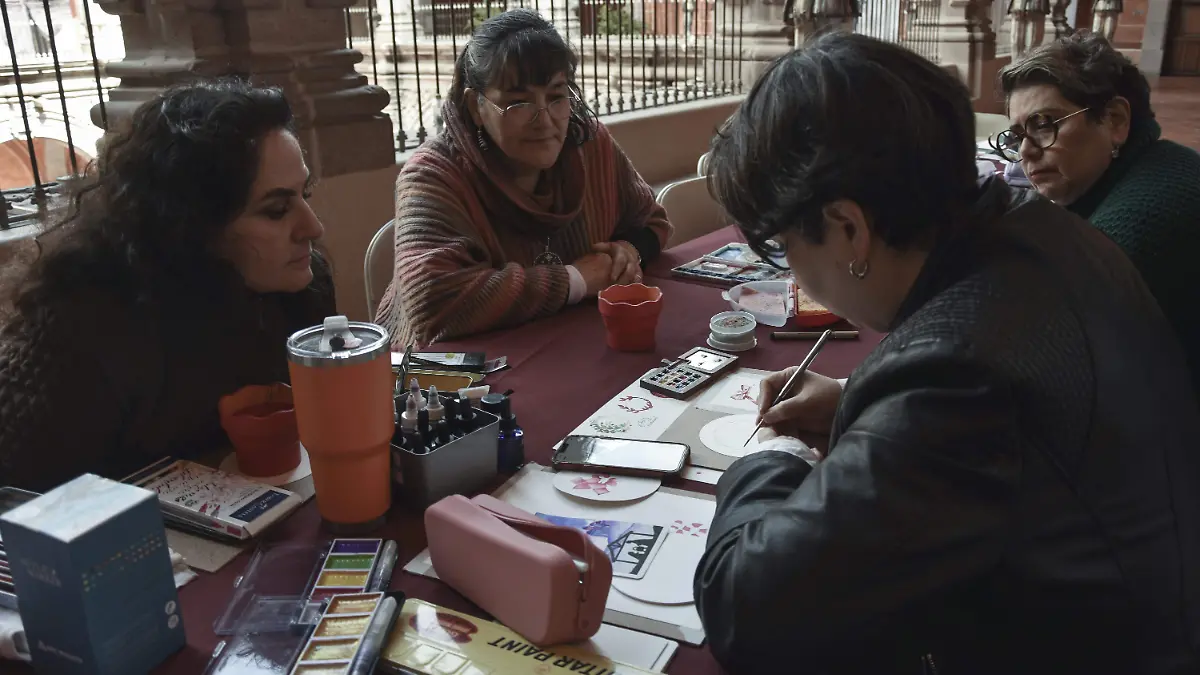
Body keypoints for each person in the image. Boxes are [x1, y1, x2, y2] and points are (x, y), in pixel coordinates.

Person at [694, 32, 1200, 674]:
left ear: (848, 227)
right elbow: (1031, 413)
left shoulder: (952, 374)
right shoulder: (1044, 231)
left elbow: (748, 612)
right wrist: (858, 404)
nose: (795, 274)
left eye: (786, 246)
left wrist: (767, 456)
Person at [0, 79, 335, 492]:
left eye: (307, 194)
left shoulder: (302, 287)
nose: (313, 227)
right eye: (276, 210)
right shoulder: (83, 331)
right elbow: (19, 501)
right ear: (191, 226)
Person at [374, 9, 672, 348]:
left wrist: (627, 251)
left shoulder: (588, 143)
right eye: (518, 103)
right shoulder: (433, 175)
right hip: (449, 382)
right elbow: (433, 300)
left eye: (557, 96)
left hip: (566, 348)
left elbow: (652, 221)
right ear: (476, 106)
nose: (544, 120)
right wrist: (574, 280)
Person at [998, 32, 1200, 393]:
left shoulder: (1129, 231)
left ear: (1116, 120)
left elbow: (1040, 368)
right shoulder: (1164, 161)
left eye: (1045, 124)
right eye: (1017, 135)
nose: (1026, 152)